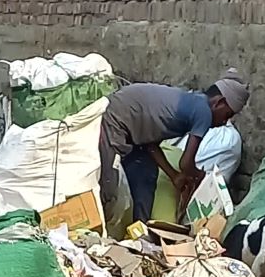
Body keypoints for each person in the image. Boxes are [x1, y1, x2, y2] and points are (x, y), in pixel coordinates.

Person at [100, 70, 250, 225]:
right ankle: (98, 233)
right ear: (219, 103)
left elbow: (150, 143)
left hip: (132, 127)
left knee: (146, 172)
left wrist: (174, 176)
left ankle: (140, 231)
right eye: (227, 115)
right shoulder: (204, 112)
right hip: (117, 119)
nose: (225, 122)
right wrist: (200, 177)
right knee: (109, 186)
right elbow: (186, 163)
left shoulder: (194, 102)